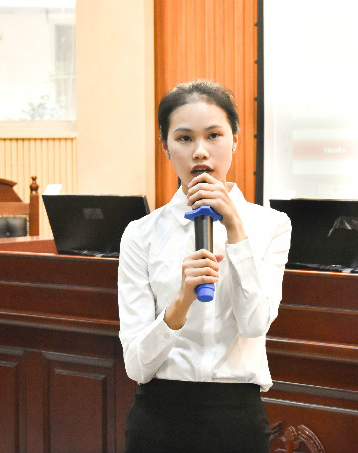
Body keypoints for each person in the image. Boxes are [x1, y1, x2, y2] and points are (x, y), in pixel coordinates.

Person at [117, 80, 292, 453]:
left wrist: (236, 229)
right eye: (184, 138)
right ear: (165, 147)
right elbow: (136, 366)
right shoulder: (140, 234)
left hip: (236, 418)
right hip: (158, 417)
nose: (200, 151)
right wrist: (180, 303)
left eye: (214, 135)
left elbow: (254, 324)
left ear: (235, 139)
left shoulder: (271, 225)